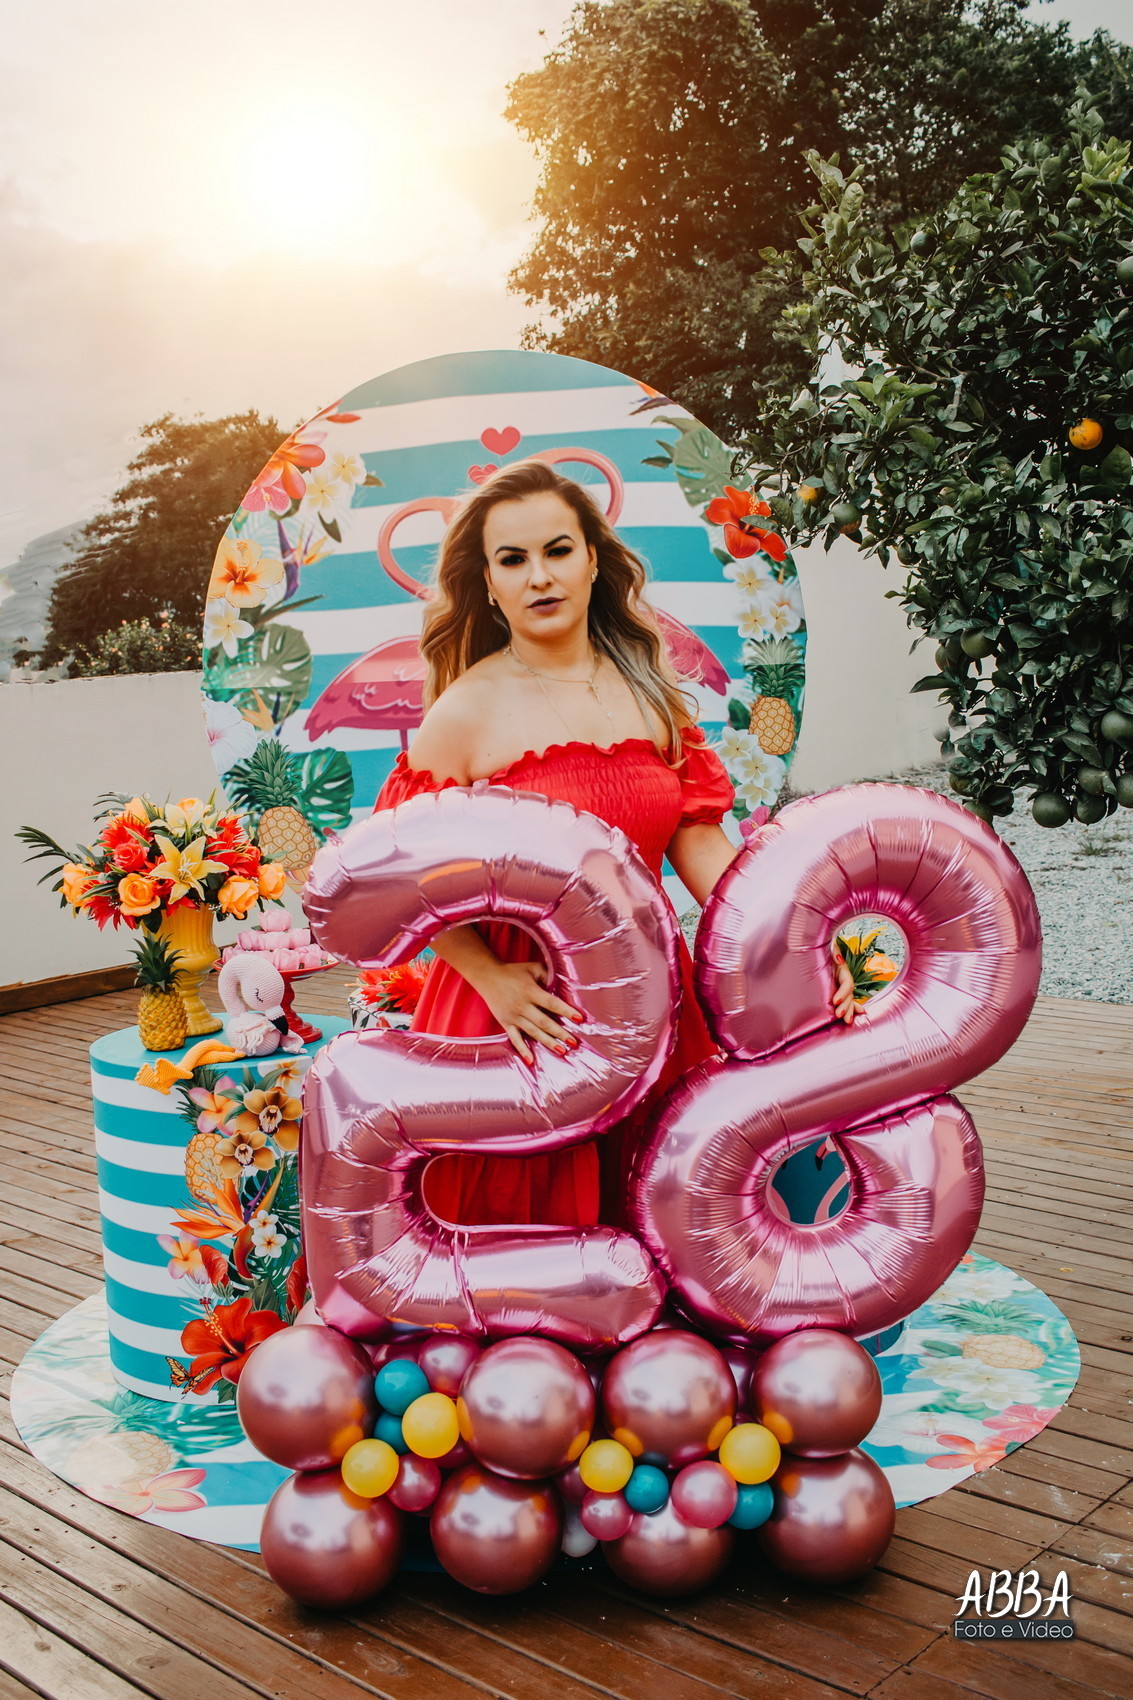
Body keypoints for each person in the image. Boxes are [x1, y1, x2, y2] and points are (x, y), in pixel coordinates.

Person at [374, 458, 856, 1228]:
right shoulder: (462, 715)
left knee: (673, 1227)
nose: (539, 576)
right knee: (529, 1244)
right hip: (524, 1016)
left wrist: (794, 945)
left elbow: (702, 852)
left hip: (652, 1002)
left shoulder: (650, 697)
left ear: (593, 560)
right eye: (512, 559)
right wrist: (490, 978)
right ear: (487, 583)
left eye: (557, 550)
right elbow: (403, 882)